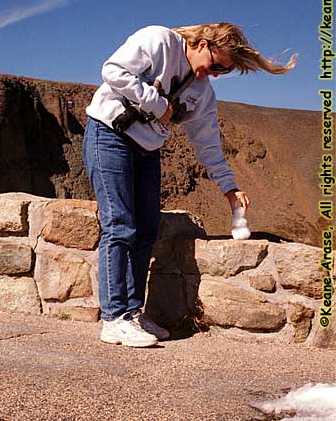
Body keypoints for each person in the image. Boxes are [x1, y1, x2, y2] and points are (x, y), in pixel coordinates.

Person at [82, 23, 297, 348]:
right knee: (120, 225)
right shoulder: (159, 40)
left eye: (223, 71)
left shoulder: (203, 95)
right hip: (109, 134)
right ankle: (114, 318)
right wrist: (157, 104)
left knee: (146, 231)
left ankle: (132, 313)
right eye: (217, 65)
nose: (216, 74)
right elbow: (113, 71)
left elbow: (209, 146)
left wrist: (230, 189)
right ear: (203, 43)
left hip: (147, 149)